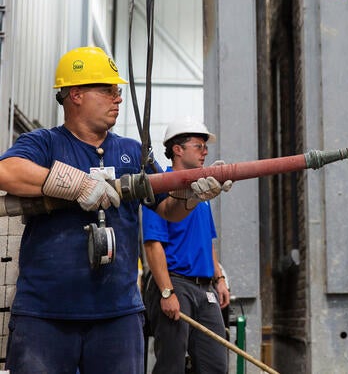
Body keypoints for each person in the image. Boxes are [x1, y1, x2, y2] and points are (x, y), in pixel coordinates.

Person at [0, 47, 229, 374]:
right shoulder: (46, 144)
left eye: (118, 91)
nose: (118, 98)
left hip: (117, 316)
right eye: (108, 90)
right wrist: (75, 183)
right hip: (45, 315)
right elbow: (6, 171)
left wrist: (190, 197)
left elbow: (167, 209)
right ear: (76, 94)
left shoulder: (132, 152)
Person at [142, 118, 231, 374]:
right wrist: (167, 292)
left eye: (205, 146)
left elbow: (207, 241)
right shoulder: (161, 187)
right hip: (175, 283)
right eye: (198, 146)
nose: (205, 152)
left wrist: (219, 278)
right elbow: (153, 244)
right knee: (172, 365)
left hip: (205, 288)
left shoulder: (202, 192)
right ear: (177, 149)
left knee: (215, 364)